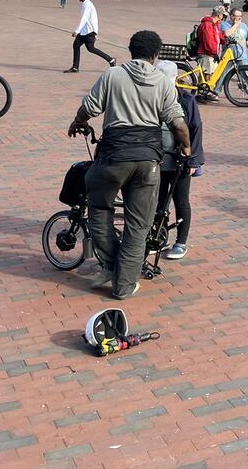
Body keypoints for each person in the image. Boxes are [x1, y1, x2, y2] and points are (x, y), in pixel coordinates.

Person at [67, 30, 190, 299]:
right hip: (148, 162)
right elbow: (178, 124)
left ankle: (111, 266)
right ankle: (124, 285)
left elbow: (88, 108)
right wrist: (187, 147)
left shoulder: (112, 76)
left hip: (112, 158)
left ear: (130, 51)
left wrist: (78, 122)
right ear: (156, 56)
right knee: (139, 225)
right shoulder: (163, 82)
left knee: (99, 210)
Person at [154, 61, 205, 259]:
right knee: (158, 201)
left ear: (175, 80)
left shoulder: (186, 99)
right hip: (158, 159)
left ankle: (181, 242)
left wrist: (193, 159)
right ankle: (159, 236)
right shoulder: (152, 97)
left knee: (180, 200)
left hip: (180, 160)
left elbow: (196, 128)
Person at [65, 0, 117, 72]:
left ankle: (111, 60)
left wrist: (76, 31)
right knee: (76, 45)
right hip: (84, 31)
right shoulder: (85, 4)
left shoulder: (88, 5)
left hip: (89, 32)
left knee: (91, 49)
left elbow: (84, 19)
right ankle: (75, 67)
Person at [195, 7, 226, 95]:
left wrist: (225, 40)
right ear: (219, 15)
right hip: (206, 54)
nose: (223, 18)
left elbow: (219, 37)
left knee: (211, 74)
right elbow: (208, 41)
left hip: (212, 54)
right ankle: (201, 94)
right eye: (223, 16)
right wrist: (213, 52)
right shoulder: (207, 24)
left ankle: (204, 93)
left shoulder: (215, 25)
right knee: (206, 75)